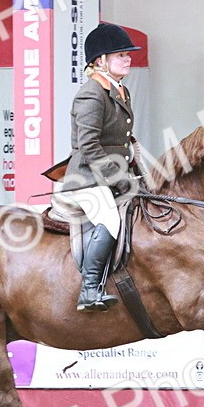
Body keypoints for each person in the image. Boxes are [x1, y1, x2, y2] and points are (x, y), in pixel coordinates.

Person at [53, 23, 142, 312]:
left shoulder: (120, 91)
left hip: (113, 174)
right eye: (120, 55)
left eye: (128, 55)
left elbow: (118, 140)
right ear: (100, 61)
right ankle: (89, 289)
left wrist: (133, 166)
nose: (127, 59)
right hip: (88, 178)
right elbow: (89, 146)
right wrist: (117, 178)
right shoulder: (91, 94)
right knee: (111, 220)